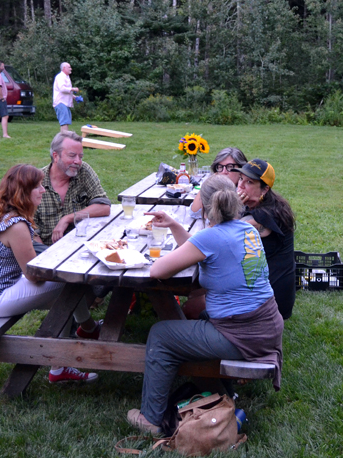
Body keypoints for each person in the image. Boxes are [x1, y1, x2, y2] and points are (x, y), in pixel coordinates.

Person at [126, 175, 284, 434]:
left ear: (205, 206)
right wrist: (175, 225)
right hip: (266, 326)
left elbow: (157, 271)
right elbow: (200, 248)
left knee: (161, 334)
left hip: (243, 334)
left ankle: (150, 420)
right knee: (198, 315)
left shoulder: (211, 237)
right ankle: (220, 394)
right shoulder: (247, 230)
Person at [0, 164, 100, 383]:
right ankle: (61, 363)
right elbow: (33, 274)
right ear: (23, 192)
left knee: (67, 286)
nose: (43, 190)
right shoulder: (15, 225)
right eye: (37, 187)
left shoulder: (5, 214)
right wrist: (65, 265)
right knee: (69, 284)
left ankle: (87, 329)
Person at [234, 159, 296, 320]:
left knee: (196, 307)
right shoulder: (265, 205)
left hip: (271, 304)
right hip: (264, 290)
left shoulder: (263, 216)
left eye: (249, 182)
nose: (240, 185)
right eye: (240, 178)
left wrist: (232, 208)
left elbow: (220, 236)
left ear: (264, 189)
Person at [33, 131, 111, 250]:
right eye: (72, 155)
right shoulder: (36, 182)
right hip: (47, 250)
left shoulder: (83, 171)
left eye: (80, 156)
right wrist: (47, 256)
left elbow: (104, 206)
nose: (78, 161)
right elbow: (31, 231)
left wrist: (68, 218)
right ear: (55, 156)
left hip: (83, 248)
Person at [53, 62, 79, 132]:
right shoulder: (60, 77)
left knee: (66, 122)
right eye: (69, 67)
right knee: (64, 123)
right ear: (64, 68)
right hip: (60, 103)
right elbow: (62, 89)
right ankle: (64, 139)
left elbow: (66, 92)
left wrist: (74, 97)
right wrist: (73, 89)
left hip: (65, 103)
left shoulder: (66, 77)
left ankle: (64, 138)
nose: (71, 69)